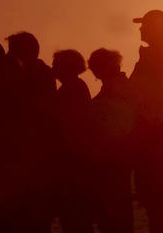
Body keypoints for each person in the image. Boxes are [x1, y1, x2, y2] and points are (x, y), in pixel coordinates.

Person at [129, 9, 163, 232]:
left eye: (145, 25)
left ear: (159, 28)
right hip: (157, 138)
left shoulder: (160, 55)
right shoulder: (161, 53)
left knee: (159, 206)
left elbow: (146, 92)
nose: (141, 29)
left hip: (158, 139)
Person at [88, 49, 136, 233]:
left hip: (112, 160)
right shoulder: (120, 88)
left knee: (115, 217)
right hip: (114, 160)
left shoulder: (117, 91)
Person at [52, 49, 93, 233]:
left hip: (73, 164)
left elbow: (69, 125)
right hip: (76, 164)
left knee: (75, 220)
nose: (53, 67)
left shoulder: (72, 89)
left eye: (56, 64)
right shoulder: (76, 87)